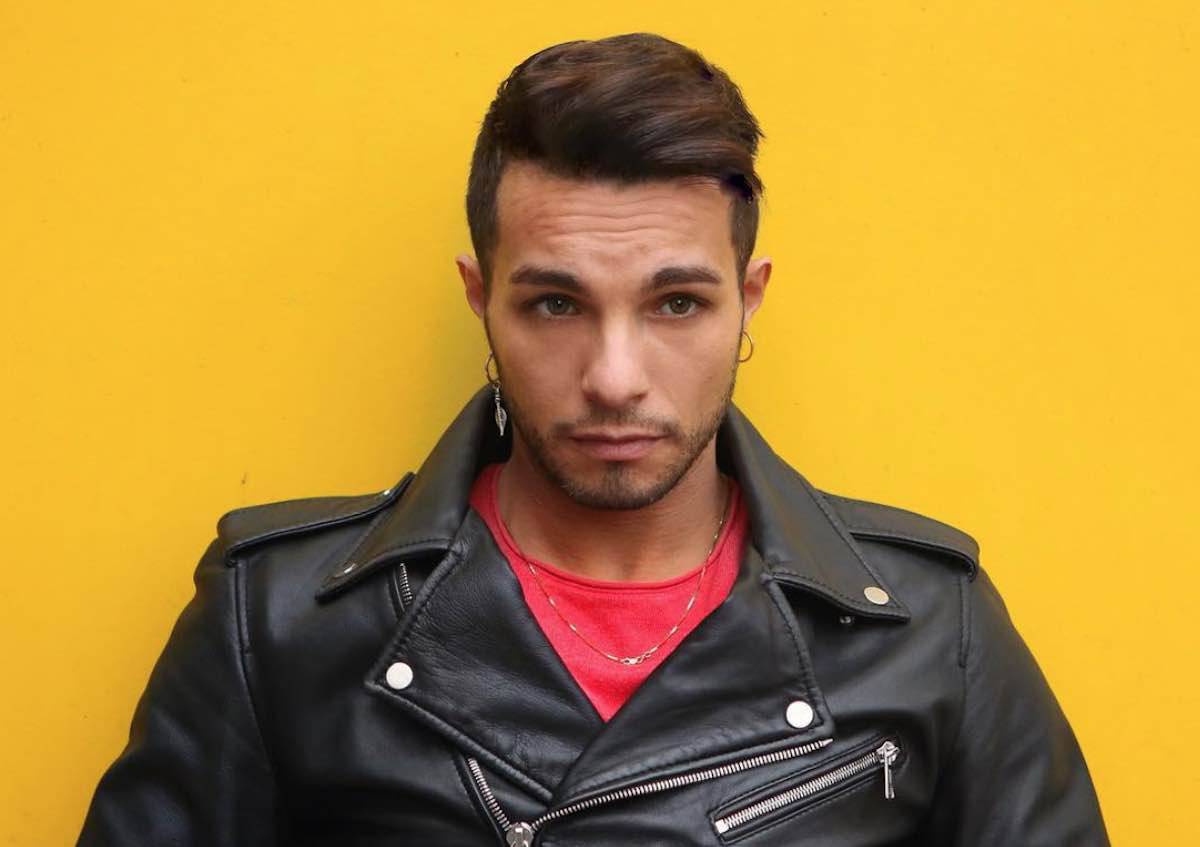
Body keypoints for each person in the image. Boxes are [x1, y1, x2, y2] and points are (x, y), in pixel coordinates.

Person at [78, 32, 1109, 846]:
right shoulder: (279, 619)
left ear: (747, 301)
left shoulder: (927, 627)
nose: (615, 377)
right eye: (556, 304)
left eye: (676, 304)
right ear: (482, 299)